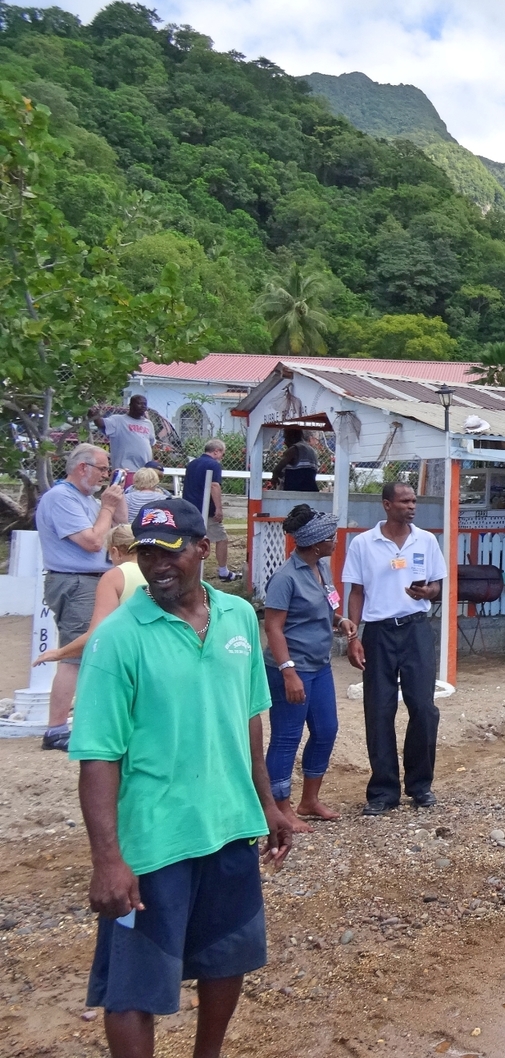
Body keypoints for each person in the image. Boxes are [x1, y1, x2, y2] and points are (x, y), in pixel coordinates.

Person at [70, 497, 294, 1058]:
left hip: (228, 825)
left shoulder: (239, 617)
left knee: (228, 958)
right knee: (133, 987)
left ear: (202, 549)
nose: (158, 564)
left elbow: (248, 719)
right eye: (147, 553)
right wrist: (108, 860)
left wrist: (267, 803)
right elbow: (98, 756)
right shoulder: (118, 639)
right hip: (154, 840)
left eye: (170, 552)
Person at [344, 481, 446, 814]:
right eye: (404, 501)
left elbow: (437, 587)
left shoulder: (426, 540)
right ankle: (383, 792)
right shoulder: (363, 543)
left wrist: (427, 592)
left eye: (414, 501)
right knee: (379, 710)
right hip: (378, 633)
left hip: (416, 630)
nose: (411, 506)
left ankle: (421, 786)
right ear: (387, 505)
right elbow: (356, 592)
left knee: (423, 708)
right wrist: (353, 636)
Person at [262, 505, 354, 831]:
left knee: (326, 730)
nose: (336, 540)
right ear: (316, 543)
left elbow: (326, 605)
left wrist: (340, 620)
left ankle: (309, 801)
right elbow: (273, 627)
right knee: (287, 737)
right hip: (291, 668)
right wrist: (288, 672)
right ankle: (279, 807)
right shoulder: (285, 578)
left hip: (320, 665)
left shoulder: (321, 568)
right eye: (332, 536)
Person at [36, 443, 126, 752]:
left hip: (93, 579)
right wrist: (108, 508)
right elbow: (91, 541)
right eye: (102, 469)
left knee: (94, 649)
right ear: (82, 467)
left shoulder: (85, 499)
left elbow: (122, 528)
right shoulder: (60, 498)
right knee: (75, 652)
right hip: (76, 581)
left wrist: (116, 500)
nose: (105, 474)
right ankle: (56, 728)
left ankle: (78, 721)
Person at [34, 525, 147, 667]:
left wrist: (59, 653)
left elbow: (98, 631)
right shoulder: (159, 570)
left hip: (127, 653)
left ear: (115, 551)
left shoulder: (114, 577)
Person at [182, 439, 238, 582]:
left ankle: (188, 569)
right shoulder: (214, 465)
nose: (221, 457)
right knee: (221, 538)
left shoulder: (192, 464)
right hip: (206, 509)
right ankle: (223, 571)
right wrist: (218, 508)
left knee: (192, 540)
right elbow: (214, 486)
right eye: (222, 454)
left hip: (190, 508)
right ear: (216, 451)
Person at [93, 395, 155, 475]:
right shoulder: (117, 420)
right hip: (125, 470)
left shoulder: (148, 423)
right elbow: (100, 423)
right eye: (139, 403)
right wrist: (94, 415)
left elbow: (151, 444)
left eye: (145, 404)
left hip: (143, 471)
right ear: (131, 405)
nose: (143, 406)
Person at [273, 427, 320, 492]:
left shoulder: (294, 449)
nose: (285, 442)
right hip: (311, 489)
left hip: (295, 491)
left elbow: (278, 468)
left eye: (286, 437)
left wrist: (275, 476)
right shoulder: (311, 450)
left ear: (292, 436)